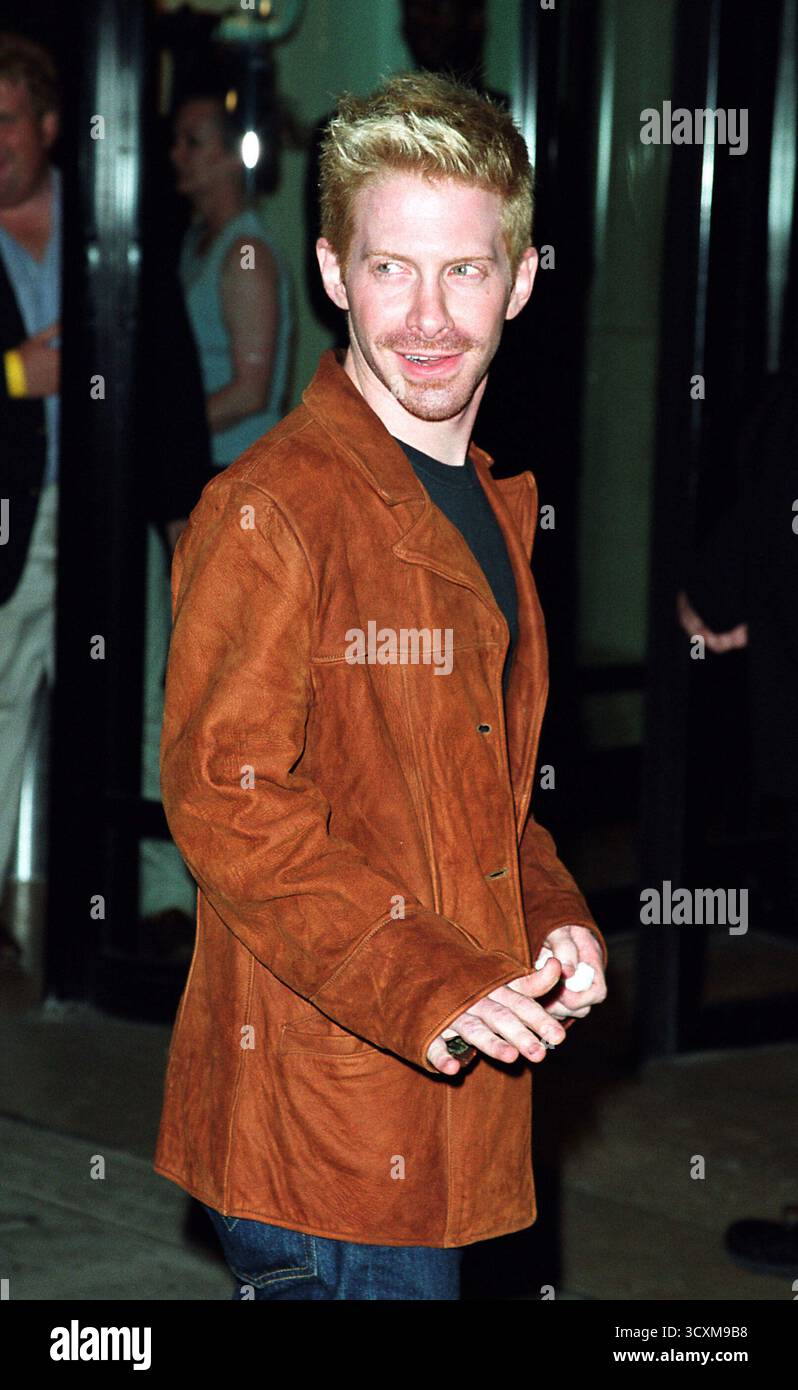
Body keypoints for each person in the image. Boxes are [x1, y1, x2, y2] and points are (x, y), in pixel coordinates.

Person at [153, 71, 608, 1301]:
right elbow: (230, 807)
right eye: (391, 267)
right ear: (332, 274)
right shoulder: (271, 511)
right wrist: (433, 980)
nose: (427, 317)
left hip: (442, 1109)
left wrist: (553, 906)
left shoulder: (489, 504)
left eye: (464, 270)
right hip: (325, 1140)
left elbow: (476, 791)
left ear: (518, 281)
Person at [169, 87, 292, 477]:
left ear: (233, 157)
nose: (176, 155)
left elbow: (250, 394)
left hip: (235, 468)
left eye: (193, 142)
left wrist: (164, 432)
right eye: (177, 141)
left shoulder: (245, 255)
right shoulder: (197, 242)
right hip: (203, 461)